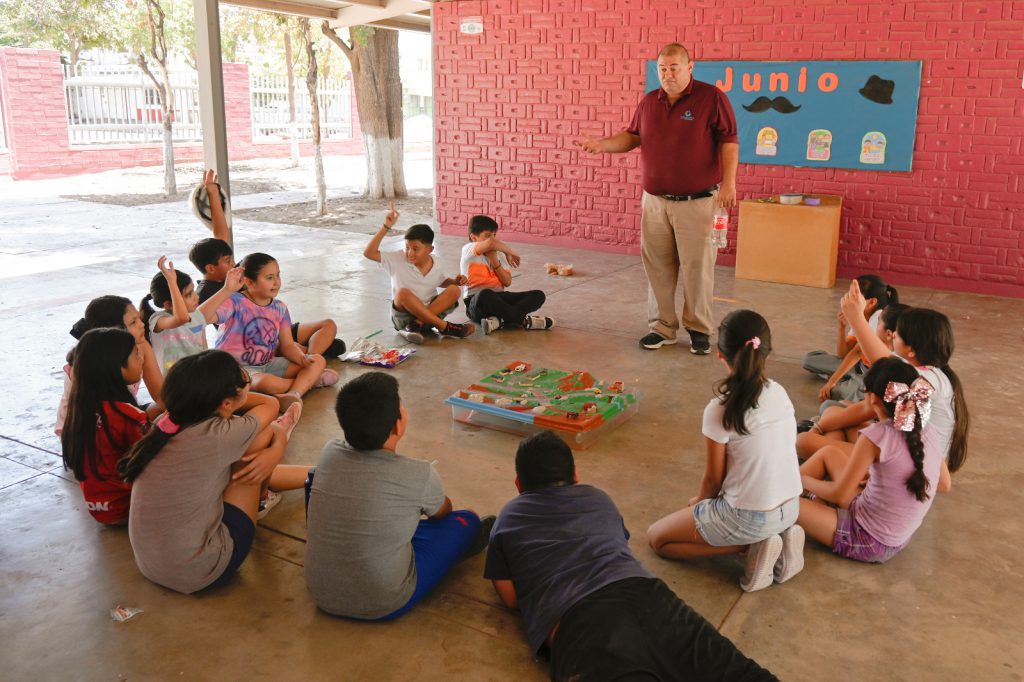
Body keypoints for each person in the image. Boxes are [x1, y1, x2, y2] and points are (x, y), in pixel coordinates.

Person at [485, 430, 776, 681]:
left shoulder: (508, 518)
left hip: (582, 626)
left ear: (518, 486)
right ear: (575, 476)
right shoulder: (598, 498)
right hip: (650, 597)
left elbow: (511, 598)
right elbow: (616, 542)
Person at [574, 43, 739, 354]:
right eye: (662, 68)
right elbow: (633, 136)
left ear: (691, 67)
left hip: (699, 201)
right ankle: (662, 328)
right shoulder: (650, 102)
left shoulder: (711, 98)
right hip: (655, 203)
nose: (668, 74)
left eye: (674, 67)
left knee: (697, 268)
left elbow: (729, 141)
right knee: (658, 267)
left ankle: (699, 330)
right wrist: (602, 144)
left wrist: (729, 183)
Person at [305, 372, 492, 620]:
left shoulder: (329, 452)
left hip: (321, 592)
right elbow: (442, 513)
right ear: (397, 424)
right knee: (466, 521)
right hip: (384, 601)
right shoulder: (419, 473)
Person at [120, 350, 309, 593]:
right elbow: (270, 404)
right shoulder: (218, 436)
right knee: (261, 441)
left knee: (246, 454)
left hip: (152, 566)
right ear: (226, 402)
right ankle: (263, 499)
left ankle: (316, 472)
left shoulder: (166, 424)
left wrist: (223, 399)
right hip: (204, 569)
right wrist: (277, 447)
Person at [646, 310, 804, 592]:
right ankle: (777, 537)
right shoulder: (779, 392)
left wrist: (699, 503)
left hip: (750, 516)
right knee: (696, 518)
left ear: (720, 354)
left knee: (658, 540)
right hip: (792, 507)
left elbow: (713, 481)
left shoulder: (720, 409)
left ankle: (748, 546)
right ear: (767, 352)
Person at [797, 357, 951, 563]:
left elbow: (840, 494)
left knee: (785, 503)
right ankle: (813, 501)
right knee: (829, 454)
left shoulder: (875, 435)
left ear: (873, 399)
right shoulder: (928, 429)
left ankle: (799, 499)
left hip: (868, 538)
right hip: (895, 535)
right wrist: (885, 483)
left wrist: (801, 480)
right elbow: (943, 483)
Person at [188, 169, 345, 358]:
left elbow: (221, 234)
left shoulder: (234, 271)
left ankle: (309, 357)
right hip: (254, 340)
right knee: (328, 347)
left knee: (328, 327)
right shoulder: (206, 292)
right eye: (227, 261)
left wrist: (213, 195)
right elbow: (199, 318)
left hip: (277, 327)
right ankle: (307, 355)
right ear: (211, 268)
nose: (232, 263)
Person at [840, 281, 969, 477]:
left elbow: (883, 362)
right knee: (842, 418)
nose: (892, 337)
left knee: (814, 442)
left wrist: (857, 319)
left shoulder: (931, 380)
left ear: (911, 350)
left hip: (915, 468)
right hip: (910, 452)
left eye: (897, 335)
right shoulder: (932, 373)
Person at [213, 252, 336, 412]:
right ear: (250, 282)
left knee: (317, 360)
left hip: (268, 364)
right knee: (268, 383)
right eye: (269, 278)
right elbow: (204, 317)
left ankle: (293, 393)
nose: (277, 282)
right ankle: (309, 381)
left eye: (278, 275)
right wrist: (225, 290)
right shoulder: (235, 301)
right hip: (237, 369)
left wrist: (301, 358)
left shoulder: (280, 307)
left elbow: (288, 345)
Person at [60, 328, 148, 524]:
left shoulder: (79, 411)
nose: (142, 358)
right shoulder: (129, 416)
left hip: (100, 509)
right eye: (136, 354)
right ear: (117, 368)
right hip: (130, 510)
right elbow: (154, 463)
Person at [796, 303, 910, 453]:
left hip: (881, 444)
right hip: (877, 424)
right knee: (832, 409)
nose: (877, 325)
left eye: (879, 323)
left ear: (890, 334)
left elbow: (868, 409)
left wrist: (819, 427)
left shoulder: (897, 370)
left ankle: (825, 433)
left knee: (828, 411)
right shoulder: (908, 373)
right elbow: (854, 353)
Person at [364, 204, 475, 343]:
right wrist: (386, 227)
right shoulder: (397, 259)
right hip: (404, 318)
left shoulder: (437, 262)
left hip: (430, 313)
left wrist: (455, 282)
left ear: (430, 249)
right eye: (407, 247)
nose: (410, 253)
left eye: (415, 249)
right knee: (402, 293)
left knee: (454, 290)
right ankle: (445, 327)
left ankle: (417, 325)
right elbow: (368, 253)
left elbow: (441, 280)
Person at [56, 295, 164, 436]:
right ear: (113, 330)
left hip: (121, 412)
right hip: (85, 428)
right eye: (133, 322)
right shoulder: (88, 362)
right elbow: (96, 417)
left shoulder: (141, 345)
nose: (141, 324)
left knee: (169, 407)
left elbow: (160, 395)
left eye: (138, 318)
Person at [803, 275, 900, 401]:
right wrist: (841, 327)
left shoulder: (879, 317)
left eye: (854, 296)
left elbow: (856, 352)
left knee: (836, 393)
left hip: (871, 373)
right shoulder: (859, 314)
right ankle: (847, 379)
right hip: (857, 366)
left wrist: (832, 381)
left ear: (872, 302)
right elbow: (843, 354)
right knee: (809, 360)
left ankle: (851, 383)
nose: (848, 298)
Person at [140, 255, 244, 372]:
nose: (196, 296)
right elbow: (181, 318)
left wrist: (228, 289)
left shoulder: (197, 316)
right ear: (168, 304)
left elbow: (204, 349)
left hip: (197, 379)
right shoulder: (159, 320)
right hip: (173, 384)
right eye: (189, 294)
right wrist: (171, 282)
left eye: (193, 291)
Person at [460, 214, 553, 335]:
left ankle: (498, 321)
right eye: (488, 236)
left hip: (500, 299)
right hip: (477, 303)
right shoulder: (468, 250)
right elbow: (491, 243)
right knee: (485, 293)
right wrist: (510, 252)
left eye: (494, 235)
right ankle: (525, 321)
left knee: (538, 295)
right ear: (473, 237)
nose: (493, 239)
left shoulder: (499, 255)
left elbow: (507, 282)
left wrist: (494, 261)